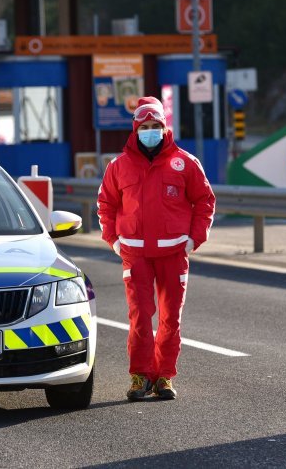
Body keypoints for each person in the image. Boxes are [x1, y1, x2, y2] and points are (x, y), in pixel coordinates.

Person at [97, 96, 216, 401]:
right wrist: (114, 239)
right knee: (140, 315)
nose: (150, 131)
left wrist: (194, 239)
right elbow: (106, 204)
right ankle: (140, 376)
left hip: (174, 252)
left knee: (170, 317)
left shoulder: (185, 162)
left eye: (156, 126)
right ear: (135, 129)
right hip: (134, 254)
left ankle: (164, 376)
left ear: (164, 128)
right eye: (145, 126)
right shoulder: (118, 166)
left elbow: (205, 200)